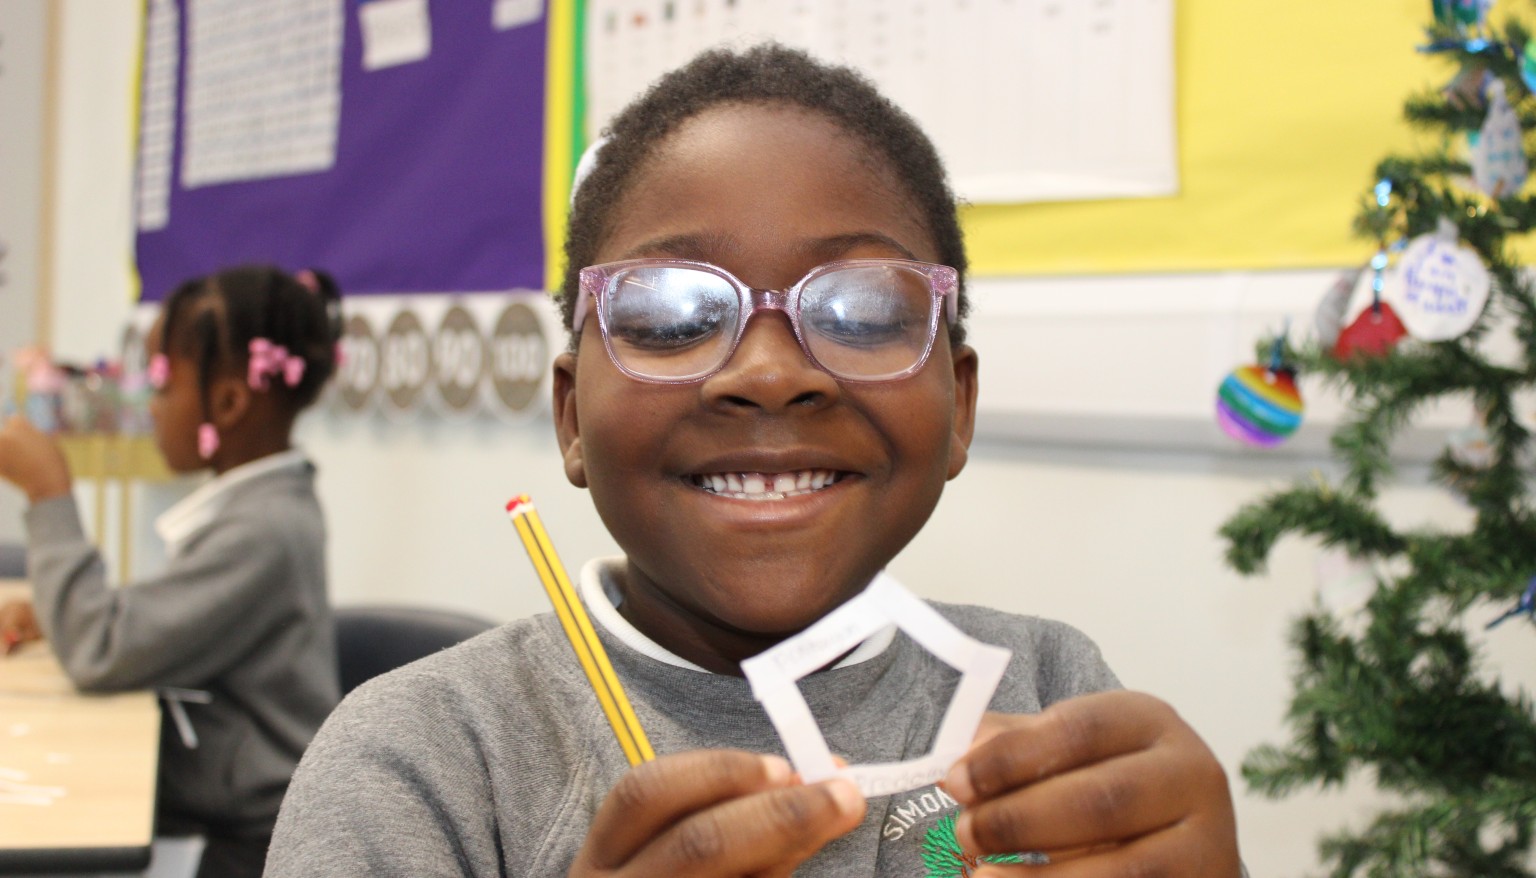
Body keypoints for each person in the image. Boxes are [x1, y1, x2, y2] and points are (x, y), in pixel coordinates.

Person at [264, 45, 1241, 876]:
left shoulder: (1048, 691)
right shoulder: (424, 764)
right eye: (669, 315)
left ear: (958, 405)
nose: (770, 374)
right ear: (570, 414)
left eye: (863, 310)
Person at [0, 265, 344, 878]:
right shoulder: (259, 508)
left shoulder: (263, 530)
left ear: (231, 401)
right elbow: (153, 623)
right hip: (241, 814)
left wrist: (48, 490)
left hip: (268, 846)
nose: (149, 406)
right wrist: (57, 616)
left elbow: (100, 648)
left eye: (161, 384)